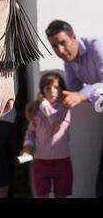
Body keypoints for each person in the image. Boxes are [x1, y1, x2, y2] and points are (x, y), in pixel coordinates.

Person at [26, 20, 103, 198]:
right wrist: (40, 101)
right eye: (54, 46)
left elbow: (79, 94)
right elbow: (70, 92)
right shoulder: (69, 63)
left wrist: (83, 96)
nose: (60, 50)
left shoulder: (97, 47)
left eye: (63, 43)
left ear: (74, 37)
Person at [20, 72, 73, 198]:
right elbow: (31, 131)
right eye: (48, 88)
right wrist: (27, 146)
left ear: (62, 89)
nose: (52, 91)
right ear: (42, 91)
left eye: (56, 87)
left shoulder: (64, 107)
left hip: (62, 161)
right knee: (42, 195)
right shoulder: (37, 110)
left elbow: (54, 119)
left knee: (61, 195)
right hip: (41, 162)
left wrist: (43, 103)